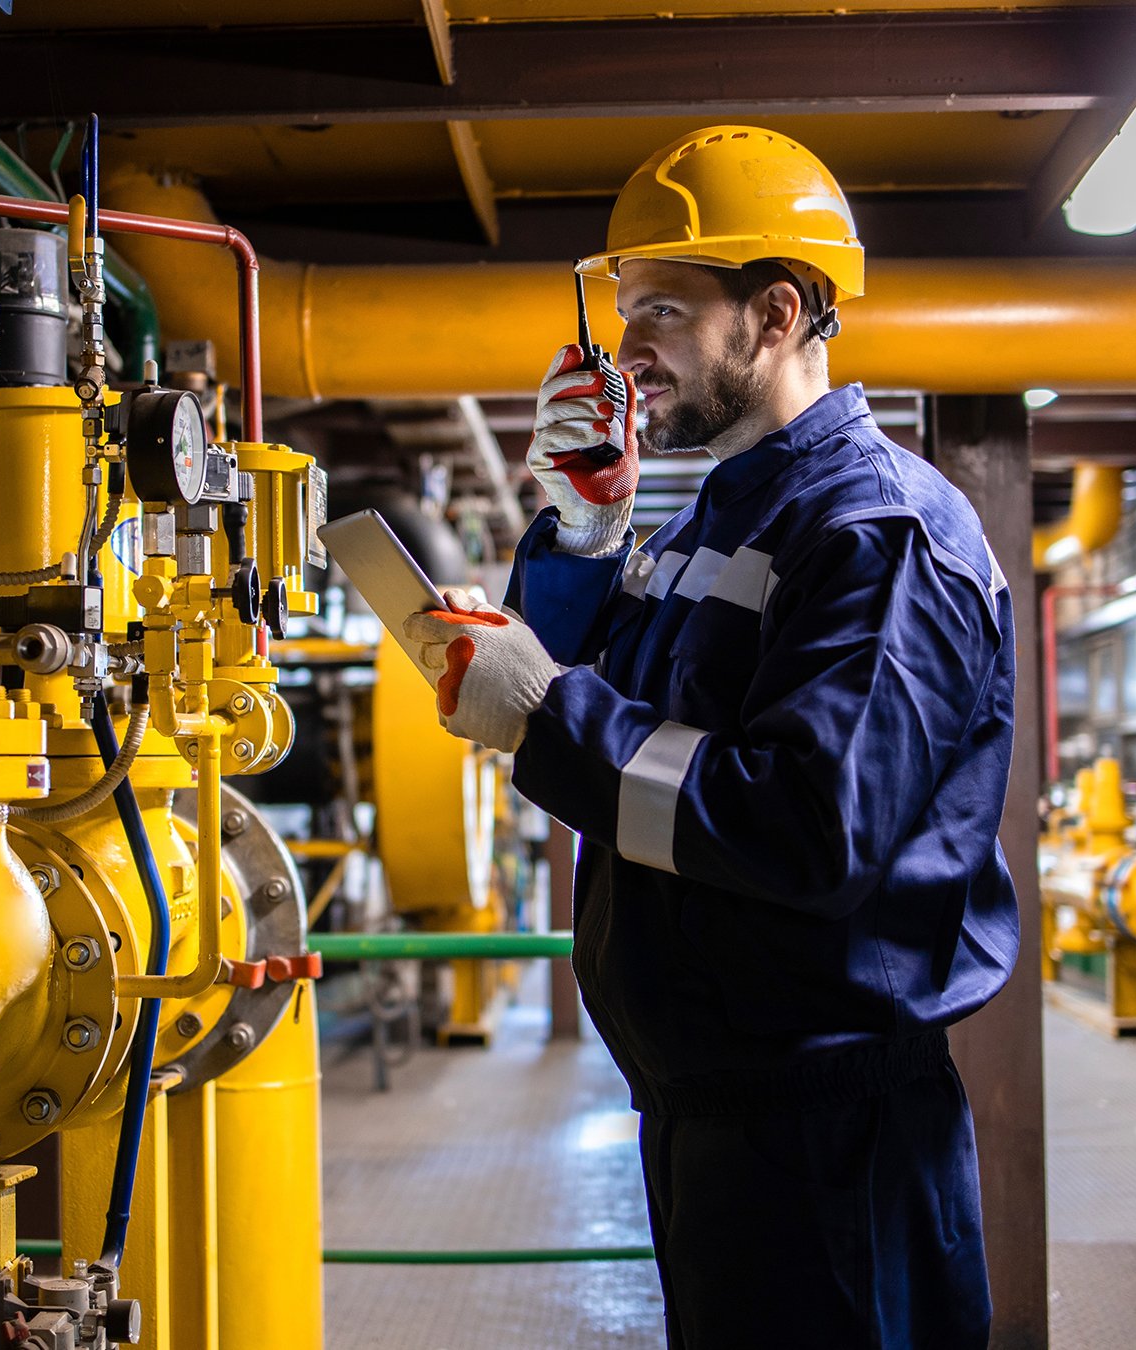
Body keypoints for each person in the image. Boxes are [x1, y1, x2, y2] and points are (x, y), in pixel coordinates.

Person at [404, 126, 1019, 1349]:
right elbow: (607, 720)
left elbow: (812, 827)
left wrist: (549, 713)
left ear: (777, 313)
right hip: (712, 1112)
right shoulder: (715, 521)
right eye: (625, 313)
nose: (627, 350)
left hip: (831, 1137)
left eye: (665, 313)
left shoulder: (877, 534)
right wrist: (584, 533)